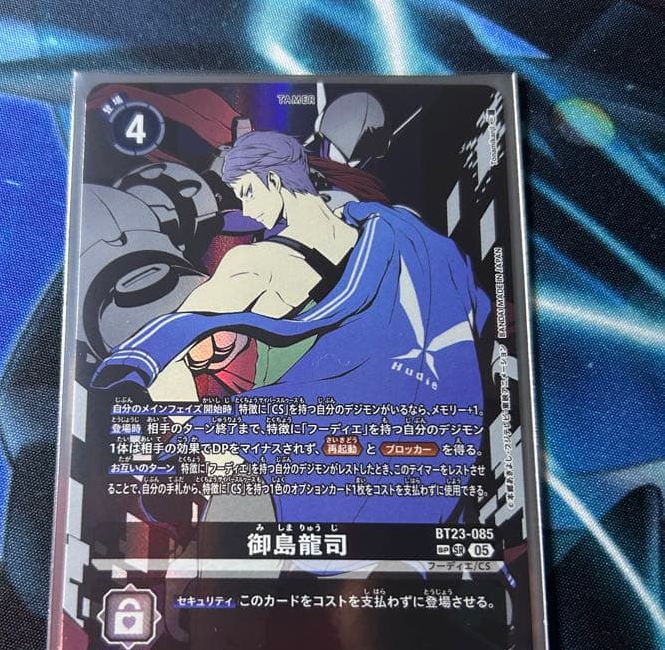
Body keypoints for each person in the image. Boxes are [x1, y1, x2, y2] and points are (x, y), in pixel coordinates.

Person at [93, 130, 489, 526]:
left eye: (247, 192)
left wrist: (206, 448)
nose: (247, 208)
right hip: (415, 429)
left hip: (341, 428)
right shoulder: (391, 225)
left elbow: (176, 341)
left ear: (273, 180)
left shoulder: (259, 263)